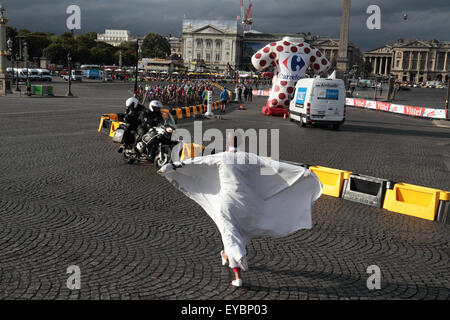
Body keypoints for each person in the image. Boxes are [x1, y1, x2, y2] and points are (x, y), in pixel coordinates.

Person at [157, 132, 322, 287]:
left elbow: (195, 162)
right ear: (240, 143)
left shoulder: (221, 157)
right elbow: (274, 166)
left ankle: (238, 274)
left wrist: (169, 167)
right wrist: (303, 172)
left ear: (228, 143)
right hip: (248, 204)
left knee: (229, 233)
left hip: (227, 204)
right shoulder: (249, 157)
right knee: (233, 232)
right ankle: (225, 254)